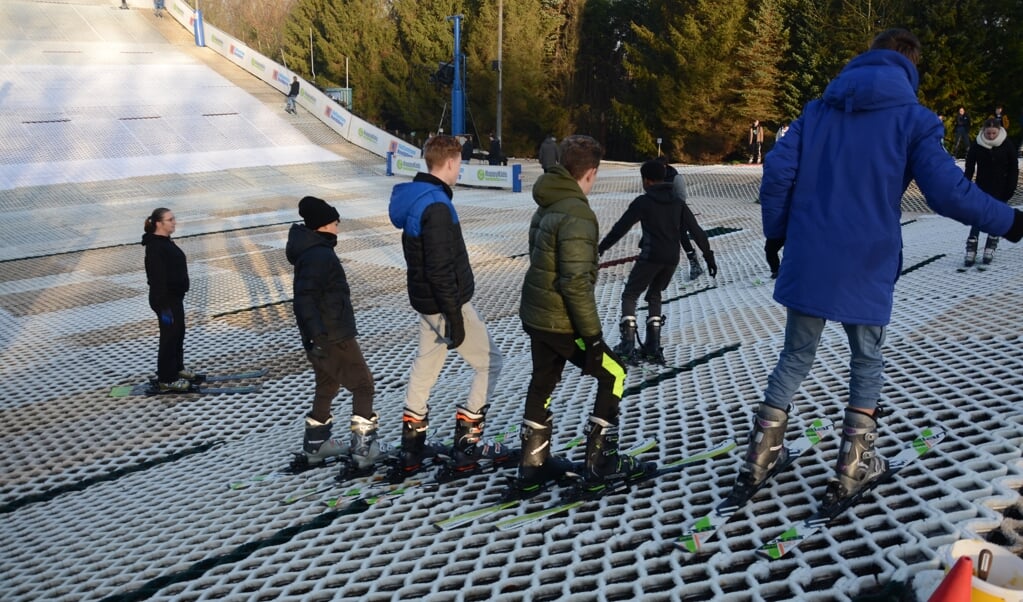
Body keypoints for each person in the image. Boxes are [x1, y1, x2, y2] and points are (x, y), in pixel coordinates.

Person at [751, 28, 1023, 511]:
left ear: (867, 58)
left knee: (795, 355)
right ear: (910, 68)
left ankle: (760, 456)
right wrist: (1011, 222)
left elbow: (777, 172)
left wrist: (778, 232)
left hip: (809, 254)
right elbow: (946, 192)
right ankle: (853, 466)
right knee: (867, 360)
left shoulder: (816, 111)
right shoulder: (913, 119)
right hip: (866, 258)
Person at [517, 135, 654, 494]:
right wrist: (593, 338)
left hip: (537, 314)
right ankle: (601, 463)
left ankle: (533, 464)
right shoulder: (578, 213)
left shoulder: (548, 201)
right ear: (590, 173)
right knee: (615, 373)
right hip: (561, 321)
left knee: (543, 380)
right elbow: (575, 283)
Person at [388, 134, 508, 479]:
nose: (460, 170)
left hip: (427, 303)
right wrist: (455, 316)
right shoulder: (437, 206)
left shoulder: (419, 197)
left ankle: (412, 447)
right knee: (491, 362)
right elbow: (440, 268)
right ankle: (467, 445)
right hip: (445, 304)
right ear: (451, 162)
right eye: (459, 164)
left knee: (425, 366)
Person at [286, 196, 385, 471]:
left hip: (322, 334)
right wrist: (318, 336)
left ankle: (317, 444)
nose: (337, 227)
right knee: (363, 385)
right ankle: (364, 448)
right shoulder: (319, 254)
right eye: (334, 222)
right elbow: (304, 298)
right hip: (333, 335)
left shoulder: (312, 250)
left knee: (327, 384)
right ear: (322, 225)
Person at [598, 160, 683, 365]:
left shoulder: (643, 201)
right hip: (672, 258)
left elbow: (621, 227)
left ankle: (627, 346)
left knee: (630, 294)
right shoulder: (677, 201)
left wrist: (602, 247)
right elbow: (693, 229)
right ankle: (653, 347)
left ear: (646, 180)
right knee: (655, 294)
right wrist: (707, 256)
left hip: (651, 256)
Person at [142, 208, 192, 392]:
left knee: (178, 333)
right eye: (170, 220)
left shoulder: (164, 241)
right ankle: (167, 378)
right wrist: (164, 306)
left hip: (174, 299)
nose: (174, 222)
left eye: (174, 218)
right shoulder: (155, 247)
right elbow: (156, 279)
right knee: (169, 337)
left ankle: (177, 369)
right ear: (158, 223)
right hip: (165, 302)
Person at [962, 118, 1019, 266]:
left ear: (999, 131)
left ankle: (991, 244)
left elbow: (1013, 167)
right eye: (988, 133)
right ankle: (972, 244)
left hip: (1002, 187)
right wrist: (965, 185)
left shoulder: (1006, 144)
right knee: (978, 216)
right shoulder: (978, 144)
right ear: (983, 131)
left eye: (994, 133)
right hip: (982, 186)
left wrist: (1011, 187)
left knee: (995, 217)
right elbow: (969, 166)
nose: (991, 136)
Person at [657, 156, 717, 280]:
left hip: (677, 211)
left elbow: (681, 197)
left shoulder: (675, 178)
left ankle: (694, 263)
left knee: (682, 236)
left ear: (666, 166)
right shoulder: (652, 177)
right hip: (661, 212)